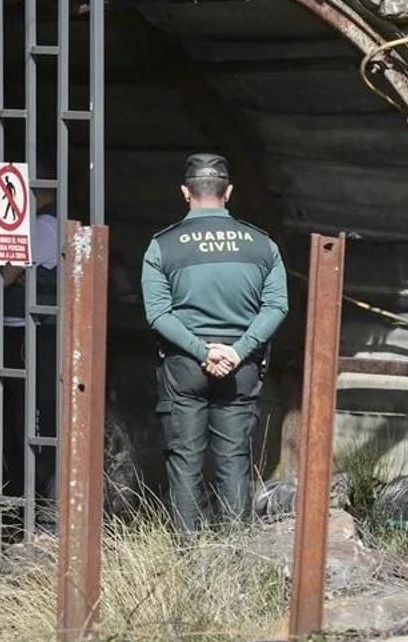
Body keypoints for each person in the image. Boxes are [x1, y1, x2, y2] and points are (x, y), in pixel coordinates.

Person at [141, 153, 288, 533]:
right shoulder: (262, 246)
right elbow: (276, 307)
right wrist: (237, 351)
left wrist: (203, 351)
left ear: (185, 192)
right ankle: (234, 552)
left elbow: (158, 315)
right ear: (230, 192)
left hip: (186, 367)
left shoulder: (163, 246)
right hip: (242, 367)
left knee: (185, 459)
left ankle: (188, 554)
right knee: (234, 459)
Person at [0, 186, 59, 524]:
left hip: (29, 329)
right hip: (29, 328)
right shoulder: (45, 224)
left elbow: (5, 276)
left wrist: (6, 272)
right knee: (26, 412)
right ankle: (31, 498)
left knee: (30, 415)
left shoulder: (41, 226)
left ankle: (34, 501)